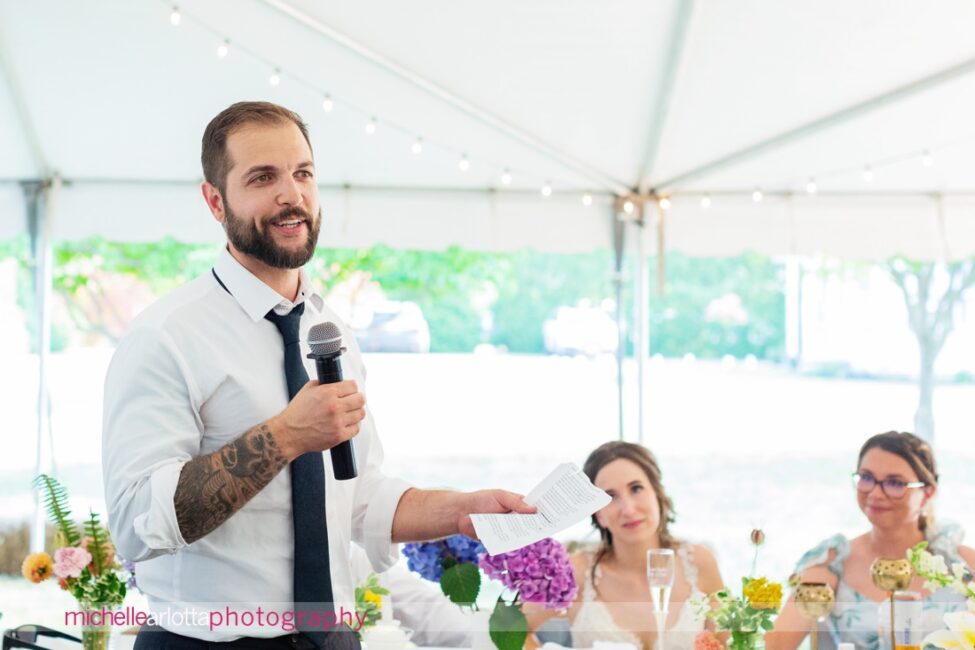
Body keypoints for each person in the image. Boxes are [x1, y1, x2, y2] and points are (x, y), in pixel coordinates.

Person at [102, 101, 534, 650]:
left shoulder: (331, 331)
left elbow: (357, 496)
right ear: (215, 201)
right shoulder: (165, 337)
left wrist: (461, 511)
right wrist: (285, 436)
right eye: (263, 178)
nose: (292, 195)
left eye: (303, 173)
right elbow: (139, 523)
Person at [767, 431, 975, 650]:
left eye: (894, 483)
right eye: (866, 478)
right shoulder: (830, 564)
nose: (875, 493)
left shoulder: (964, 564)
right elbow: (774, 646)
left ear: (928, 492)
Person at [525, 441, 724, 650]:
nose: (628, 509)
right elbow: (512, 630)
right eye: (610, 497)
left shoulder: (700, 563)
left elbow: (727, 643)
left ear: (657, 494)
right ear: (598, 514)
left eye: (636, 488)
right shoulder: (575, 572)